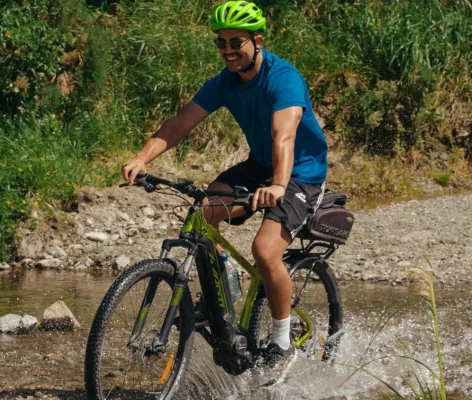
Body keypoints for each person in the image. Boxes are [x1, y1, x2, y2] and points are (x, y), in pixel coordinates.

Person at [121, 1, 328, 369]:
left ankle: (281, 340)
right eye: (221, 43)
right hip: (260, 166)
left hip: (299, 173)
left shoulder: (283, 78)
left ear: (257, 41)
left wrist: (279, 186)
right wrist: (142, 158)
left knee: (265, 251)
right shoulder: (224, 83)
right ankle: (224, 293)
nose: (228, 51)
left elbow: (285, 136)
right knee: (204, 212)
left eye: (236, 42)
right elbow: (179, 123)